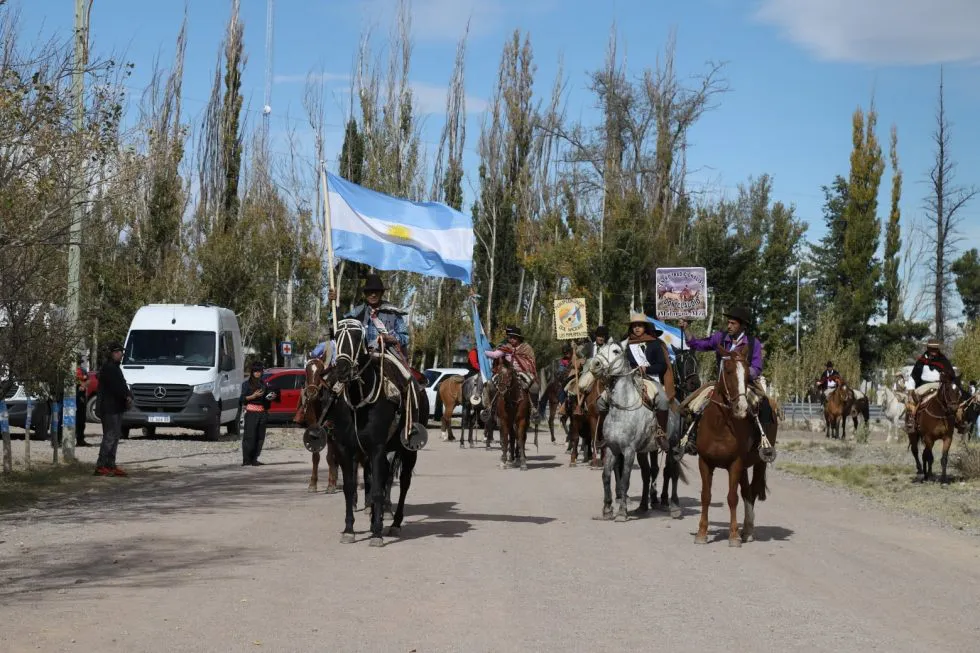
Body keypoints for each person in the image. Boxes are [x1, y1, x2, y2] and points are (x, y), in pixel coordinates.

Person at [677, 307, 769, 455]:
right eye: (728, 323)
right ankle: (690, 438)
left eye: (733, 323)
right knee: (694, 404)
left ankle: (763, 441)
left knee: (763, 403)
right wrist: (686, 329)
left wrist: (742, 374)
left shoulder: (753, 343)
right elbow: (697, 344)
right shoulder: (720, 337)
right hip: (720, 384)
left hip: (745, 384)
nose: (729, 326)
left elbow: (757, 367)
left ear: (743, 326)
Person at [329, 274, 409, 360]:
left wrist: (391, 338)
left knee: (404, 373)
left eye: (376, 291)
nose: (373, 295)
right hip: (362, 357)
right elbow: (341, 325)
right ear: (365, 293)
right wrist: (332, 305)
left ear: (381, 293)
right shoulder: (357, 311)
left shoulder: (393, 312)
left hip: (387, 356)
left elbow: (405, 338)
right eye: (370, 291)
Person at [481, 326, 538, 419]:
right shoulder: (506, 347)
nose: (511, 340)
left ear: (519, 338)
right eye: (510, 337)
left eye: (514, 338)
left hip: (523, 371)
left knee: (535, 387)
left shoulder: (527, 348)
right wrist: (483, 351)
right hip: (506, 371)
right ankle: (490, 407)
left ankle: (533, 409)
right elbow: (495, 355)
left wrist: (522, 365)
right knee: (491, 384)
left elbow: (531, 362)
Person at [94, 341, 133, 477]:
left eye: (120, 352)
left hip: (117, 407)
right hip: (109, 408)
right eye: (117, 352)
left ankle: (110, 464)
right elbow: (116, 387)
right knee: (109, 437)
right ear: (111, 354)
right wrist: (126, 396)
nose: (120, 354)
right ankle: (101, 465)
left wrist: (129, 395)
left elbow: (122, 384)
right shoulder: (108, 368)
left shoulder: (116, 368)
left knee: (115, 436)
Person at [905, 339, 959, 428]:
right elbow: (914, 375)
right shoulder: (921, 361)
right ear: (928, 348)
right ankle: (912, 421)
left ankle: (958, 420)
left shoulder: (943, 360)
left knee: (954, 399)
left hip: (940, 385)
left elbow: (951, 373)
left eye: (935, 349)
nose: (934, 351)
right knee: (912, 399)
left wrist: (946, 376)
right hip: (924, 386)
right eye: (932, 349)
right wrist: (910, 388)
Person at [241, 361, 276, 466]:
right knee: (249, 437)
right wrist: (253, 396)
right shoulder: (246, 384)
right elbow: (242, 399)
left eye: (259, 371)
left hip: (262, 413)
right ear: (252, 372)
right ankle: (246, 459)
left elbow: (268, 399)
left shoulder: (264, 384)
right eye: (255, 371)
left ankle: (255, 459)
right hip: (251, 412)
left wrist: (271, 397)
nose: (257, 373)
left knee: (260, 437)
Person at [75, 357, 90, 447]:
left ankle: (80, 439)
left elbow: (88, 380)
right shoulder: (68, 370)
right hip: (71, 397)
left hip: (81, 397)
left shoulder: (82, 370)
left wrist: (83, 385)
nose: (78, 364)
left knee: (81, 419)